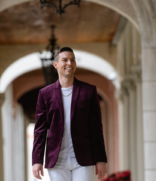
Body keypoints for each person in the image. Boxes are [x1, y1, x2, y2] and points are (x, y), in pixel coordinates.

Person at [32, 47, 107, 181]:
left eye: (72, 60)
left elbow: (96, 128)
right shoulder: (45, 94)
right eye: (64, 60)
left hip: (84, 159)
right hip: (57, 160)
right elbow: (40, 130)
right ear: (56, 65)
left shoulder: (89, 91)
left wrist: (100, 159)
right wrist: (36, 160)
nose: (69, 63)